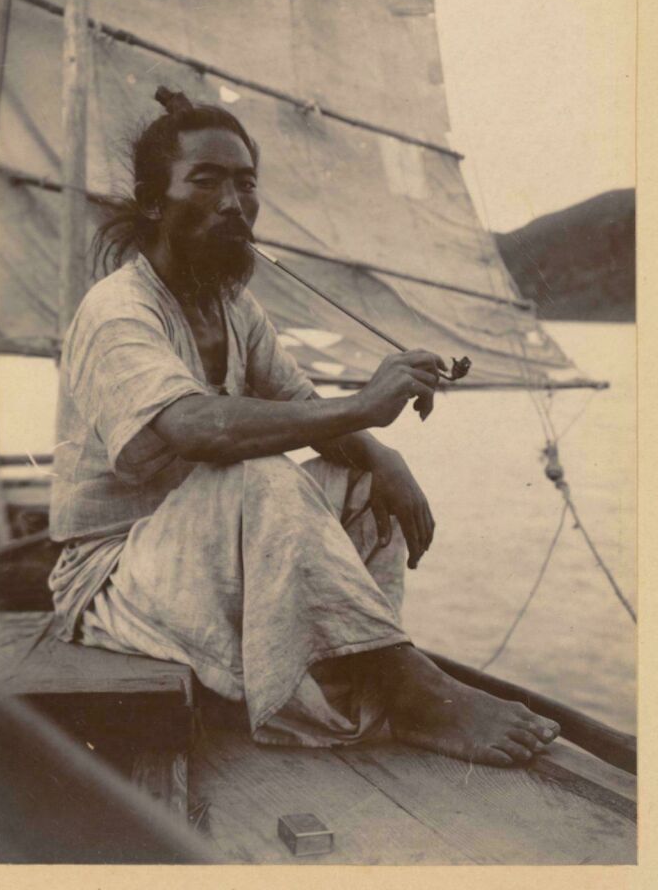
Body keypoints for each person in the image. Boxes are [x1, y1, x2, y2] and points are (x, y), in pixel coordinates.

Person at [48, 88, 559, 763]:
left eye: (246, 183)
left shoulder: (234, 308)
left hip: (200, 563)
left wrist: (381, 455)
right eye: (206, 181)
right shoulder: (118, 311)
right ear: (153, 202)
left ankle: (362, 670)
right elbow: (197, 427)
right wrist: (363, 406)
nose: (234, 203)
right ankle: (405, 687)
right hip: (112, 582)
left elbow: (300, 405)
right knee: (259, 474)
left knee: (359, 480)